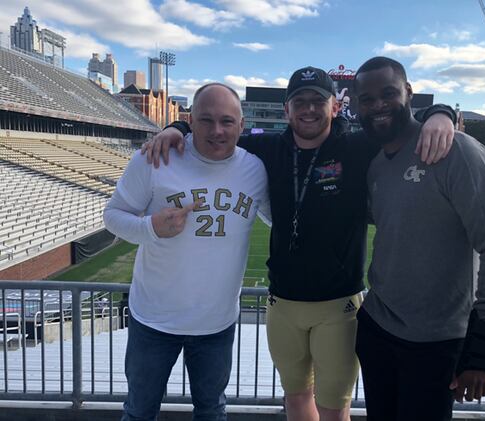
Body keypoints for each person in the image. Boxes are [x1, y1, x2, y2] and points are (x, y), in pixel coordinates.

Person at [141, 66, 456, 421]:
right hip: (283, 303)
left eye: (318, 101)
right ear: (286, 110)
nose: (309, 109)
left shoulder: (358, 146)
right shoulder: (267, 147)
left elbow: (398, 122)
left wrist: (440, 113)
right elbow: (216, 131)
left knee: (334, 407)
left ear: (335, 107)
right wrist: (177, 127)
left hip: (338, 304)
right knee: (295, 399)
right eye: (299, 101)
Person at [353, 56, 485, 421]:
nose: (377, 105)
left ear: (409, 93)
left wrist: (481, 350)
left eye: (388, 93)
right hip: (378, 328)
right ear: (355, 105)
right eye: (366, 99)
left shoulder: (457, 150)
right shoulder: (377, 164)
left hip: (436, 341)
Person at [103, 83, 269, 421]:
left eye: (227, 121)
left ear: (241, 125)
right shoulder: (155, 158)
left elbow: (281, 219)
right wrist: (151, 228)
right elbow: (112, 216)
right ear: (190, 120)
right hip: (153, 319)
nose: (217, 130)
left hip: (217, 323)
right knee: (138, 411)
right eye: (206, 120)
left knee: (211, 410)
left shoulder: (255, 169)